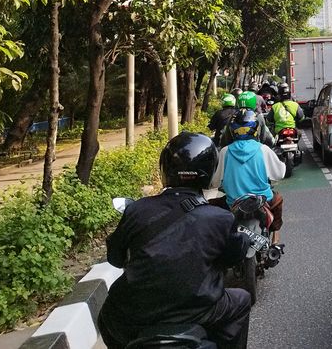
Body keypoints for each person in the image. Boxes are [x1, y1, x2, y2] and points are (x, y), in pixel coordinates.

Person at [98, 132, 252, 349]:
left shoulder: (136, 210)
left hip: (133, 313)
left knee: (106, 315)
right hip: (200, 312)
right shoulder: (221, 218)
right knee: (242, 300)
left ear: (165, 169)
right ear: (209, 171)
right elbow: (233, 257)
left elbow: (115, 258)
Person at [214, 109, 286, 243]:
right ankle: (275, 239)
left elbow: (215, 182)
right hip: (262, 200)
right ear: (255, 129)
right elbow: (279, 174)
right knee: (278, 199)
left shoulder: (225, 152)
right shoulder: (263, 149)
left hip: (233, 203)